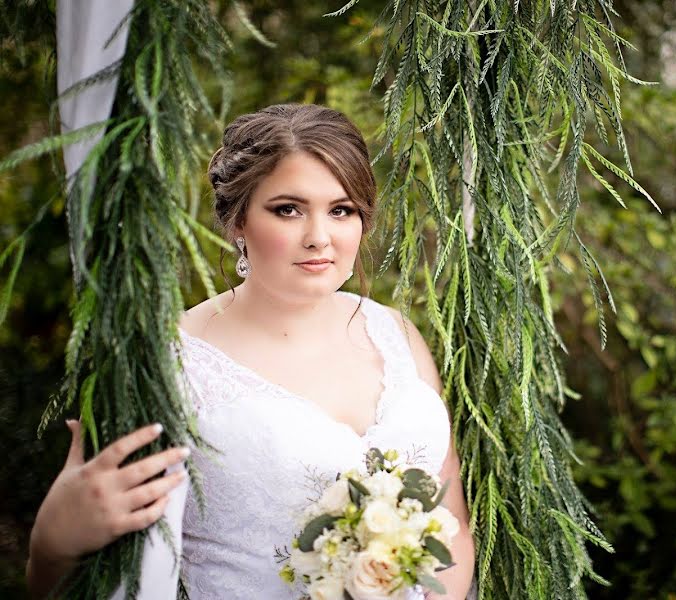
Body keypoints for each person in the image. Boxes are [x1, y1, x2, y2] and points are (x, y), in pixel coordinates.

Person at [26, 104, 476, 599]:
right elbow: (82, 583)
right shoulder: (168, 363)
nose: (319, 238)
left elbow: (449, 514)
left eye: (341, 210)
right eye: (288, 209)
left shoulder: (396, 333)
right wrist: (53, 542)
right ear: (238, 221)